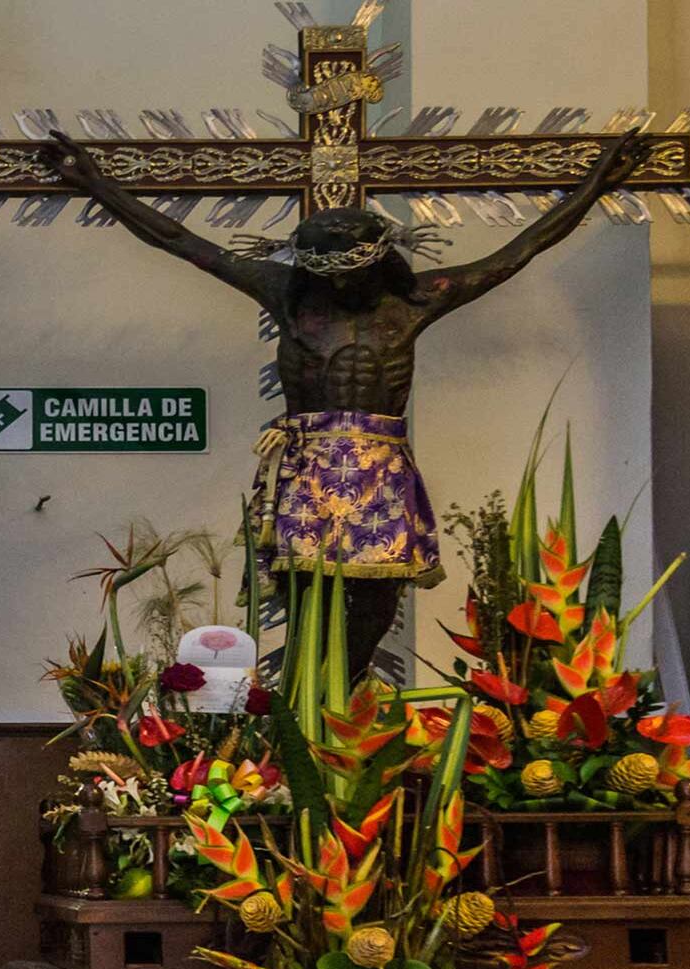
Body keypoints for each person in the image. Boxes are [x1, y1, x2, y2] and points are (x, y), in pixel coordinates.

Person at [44, 127, 656, 678]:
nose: (337, 287)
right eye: (327, 275)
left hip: (381, 467)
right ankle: (302, 709)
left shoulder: (415, 301)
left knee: (378, 602)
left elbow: (520, 250)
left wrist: (598, 182)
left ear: (379, 261)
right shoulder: (288, 293)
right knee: (307, 595)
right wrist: (97, 184)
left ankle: (342, 688)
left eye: (349, 273)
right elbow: (178, 239)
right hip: (308, 463)